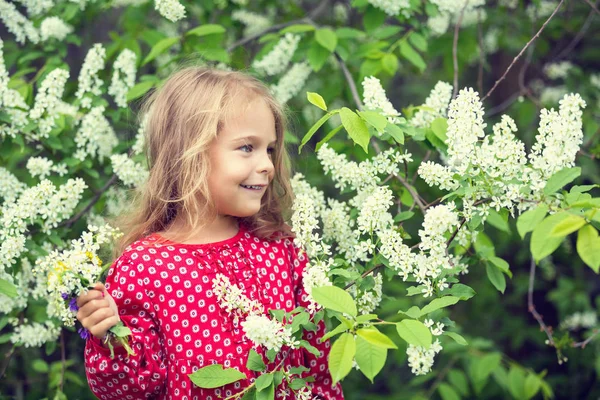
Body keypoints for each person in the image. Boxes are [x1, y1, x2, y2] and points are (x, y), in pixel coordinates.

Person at [75, 66, 344, 400]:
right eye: (247, 147)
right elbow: (132, 390)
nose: (267, 165)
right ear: (191, 154)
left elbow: (317, 367)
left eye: (270, 149)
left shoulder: (280, 250)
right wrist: (110, 337)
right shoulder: (144, 268)